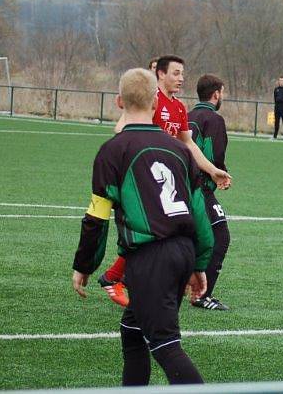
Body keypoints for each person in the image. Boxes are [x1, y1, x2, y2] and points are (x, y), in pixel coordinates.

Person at [71, 68, 213, 385]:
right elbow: (199, 210)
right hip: (183, 251)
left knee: (165, 345)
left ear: (119, 101)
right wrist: (200, 262)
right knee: (133, 331)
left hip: (151, 257)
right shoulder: (179, 149)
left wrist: (84, 265)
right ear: (155, 102)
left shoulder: (112, 150)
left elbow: (97, 217)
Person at [97, 56, 231, 307]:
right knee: (158, 232)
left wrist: (213, 170)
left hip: (169, 179)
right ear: (160, 74)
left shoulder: (179, 107)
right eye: (176, 73)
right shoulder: (149, 101)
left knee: (174, 231)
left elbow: (187, 143)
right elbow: (120, 129)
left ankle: (117, 278)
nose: (181, 78)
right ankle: (119, 279)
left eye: (182, 74)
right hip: (146, 179)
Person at [188, 74, 231, 311]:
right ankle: (202, 295)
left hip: (180, 186)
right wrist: (219, 173)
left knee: (186, 239)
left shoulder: (187, 115)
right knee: (220, 237)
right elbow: (213, 153)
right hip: (200, 187)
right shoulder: (213, 119)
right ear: (216, 94)